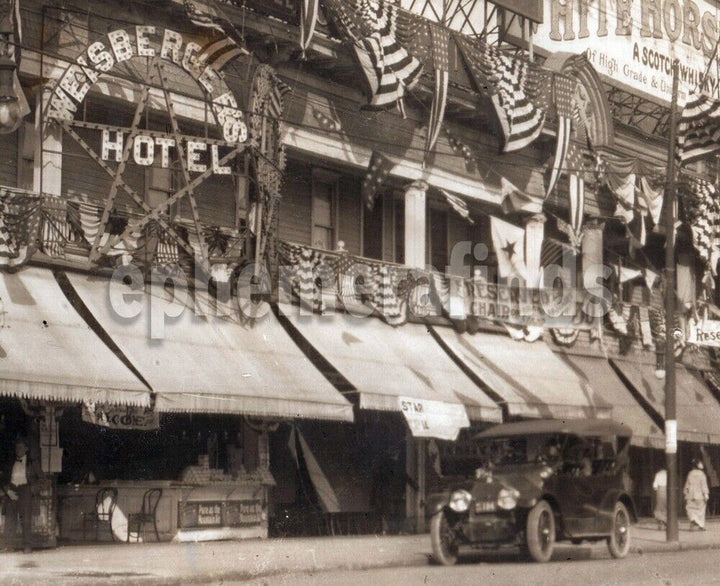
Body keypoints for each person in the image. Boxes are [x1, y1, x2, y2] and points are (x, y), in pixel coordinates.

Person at [2, 437, 36, 552]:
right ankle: (8, 546)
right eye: (16, 448)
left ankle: (27, 546)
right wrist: (7, 491)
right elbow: (3, 478)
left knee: (25, 519)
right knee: (10, 519)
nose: (18, 450)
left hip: (25, 490)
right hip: (12, 490)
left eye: (21, 447)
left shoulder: (32, 463)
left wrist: (31, 490)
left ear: (26, 449)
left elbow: (43, 480)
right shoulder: (10, 462)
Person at [684, 459, 709, 531]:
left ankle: (692, 521)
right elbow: (704, 485)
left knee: (691, 509)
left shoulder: (690, 473)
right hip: (700, 494)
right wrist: (706, 494)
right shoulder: (702, 474)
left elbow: (687, 485)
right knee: (701, 510)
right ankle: (701, 525)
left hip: (691, 494)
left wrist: (686, 493)